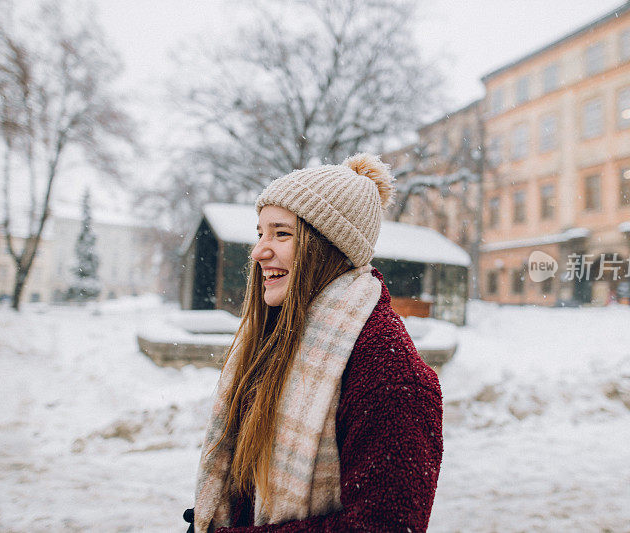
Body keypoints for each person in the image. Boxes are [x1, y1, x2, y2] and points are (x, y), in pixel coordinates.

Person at [184, 154, 443, 532]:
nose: (258, 251)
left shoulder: (389, 372)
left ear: (329, 246)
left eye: (281, 233)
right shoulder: (279, 341)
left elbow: (383, 527)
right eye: (261, 233)